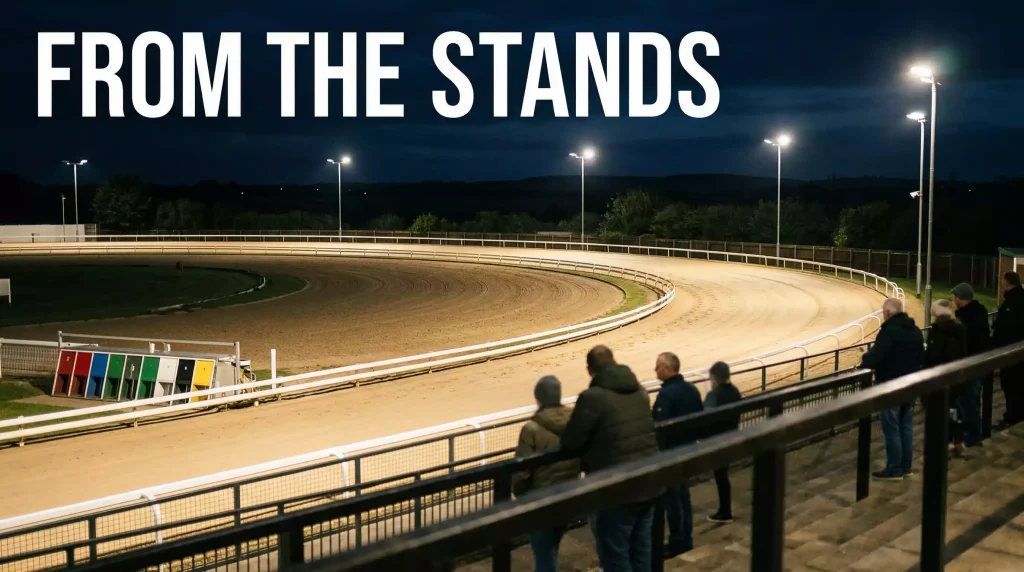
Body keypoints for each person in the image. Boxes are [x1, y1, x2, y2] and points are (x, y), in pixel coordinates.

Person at [560, 345, 660, 572]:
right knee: (641, 552)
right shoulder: (640, 390)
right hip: (650, 480)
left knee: (615, 556)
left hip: (615, 489)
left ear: (589, 370)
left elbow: (570, 444)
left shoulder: (592, 398)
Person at [512, 376, 581, 572]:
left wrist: (522, 497)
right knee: (550, 550)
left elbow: (520, 473)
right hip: (568, 496)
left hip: (540, 501)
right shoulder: (576, 420)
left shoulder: (531, 428)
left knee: (543, 557)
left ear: (538, 399)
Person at [860, 298, 924, 480]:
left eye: (883, 312)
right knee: (906, 427)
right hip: (911, 385)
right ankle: (906, 467)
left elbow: (874, 358)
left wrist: (865, 358)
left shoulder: (889, 332)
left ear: (888, 313)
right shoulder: (916, 331)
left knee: (892, 429)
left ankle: (894, 469)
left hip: (890, 386)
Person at [651, 352, 704, 555]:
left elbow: (659, 427)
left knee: (673, 500)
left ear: (667, 369)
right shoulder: (691, 389)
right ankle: (686, 538)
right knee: (683, 497)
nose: (655, 370)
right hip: (689, 449)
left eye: (657, 366)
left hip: (672, 454)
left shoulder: (666, 395)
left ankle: (676, 541)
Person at [925, 300, 968, 456]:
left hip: (940, 379)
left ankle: (945, 445)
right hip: (956, 378)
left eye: (934, 313)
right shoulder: (960, 328)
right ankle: (957, 441)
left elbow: (934, 355)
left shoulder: (939, 331)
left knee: (942, 413)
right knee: (953, 411)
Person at [702, 361, 742, 523]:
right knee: (722, 476)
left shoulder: (714, 395)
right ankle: (725, 510)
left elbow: (705, 417)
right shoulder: (734, 391)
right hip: (731, 436)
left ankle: (725, 512)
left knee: (721, 477)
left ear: (713, 378)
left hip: (718, 440)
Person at [952, 282, 990, 446]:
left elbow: (966, 342)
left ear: (960, 298)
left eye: (954, 296)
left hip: (969, 365)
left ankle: (972, 439)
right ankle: (970, 436)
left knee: (967, 403)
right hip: (978, 362)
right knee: (970, 403)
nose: (953, 299)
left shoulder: (965, 318)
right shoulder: (979, 311)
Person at [993, 271, 1024, 429]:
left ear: (1007, 282)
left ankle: (1013, 418)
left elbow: (1005, 329)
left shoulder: (1011, 303)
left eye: (1002, 281)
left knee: (1011, 386)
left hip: (1011, 353)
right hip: (1017, 351)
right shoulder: (1016, 300)